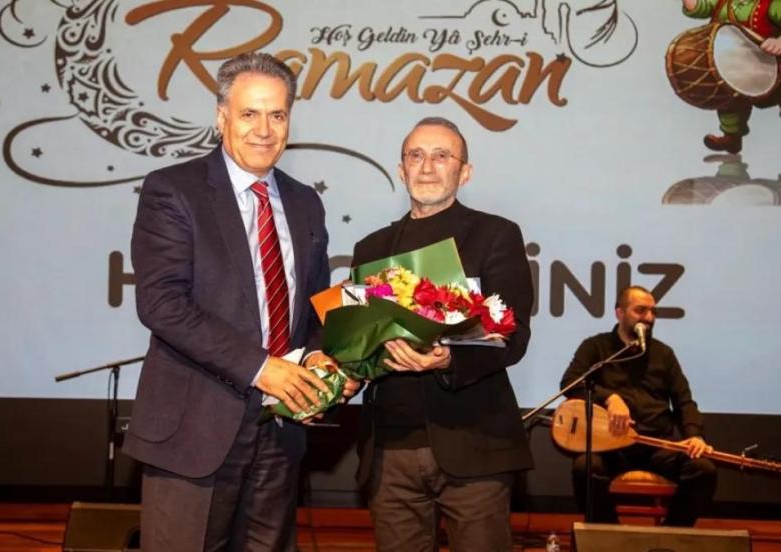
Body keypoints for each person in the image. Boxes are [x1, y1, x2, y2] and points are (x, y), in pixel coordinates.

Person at [124, 52, 354, 552]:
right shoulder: (173, 190)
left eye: (277, 114)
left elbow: (315, 304)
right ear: (221, 117)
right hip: (194, 431)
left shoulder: (304, 202)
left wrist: (318, 357)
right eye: (249, 113)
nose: (264, 130)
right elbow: (161, 303)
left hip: (280, 432)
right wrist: (262, 369)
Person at [350, 117, 534, 551]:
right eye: (416, 155)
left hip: (475, 443)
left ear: (464, 172)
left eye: (441, 156)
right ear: (401, 170)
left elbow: (514, 334)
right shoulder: (370, 248)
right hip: (389, 449)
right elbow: (358, 340)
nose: (427, 166)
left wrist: (450, 357)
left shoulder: (495, 235)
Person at [560, 286, 717, 526]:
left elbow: (684, 401)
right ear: (619, 313)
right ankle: (607, 536)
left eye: (652, 312)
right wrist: (609, 398)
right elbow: (570, 384)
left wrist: (694, 435)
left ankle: (670, 536)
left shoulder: (664, 354)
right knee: (585, 467)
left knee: (703, 469)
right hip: (611, 447)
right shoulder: (596, 347)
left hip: (656, 446)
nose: (649, 318)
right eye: (641, 310)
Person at [682, 0, 781, 154]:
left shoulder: (773, 4)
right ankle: (731, 138)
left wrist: (779, 42)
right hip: (734, 65)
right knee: (729, 101)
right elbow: (701, 7)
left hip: (772, 67)